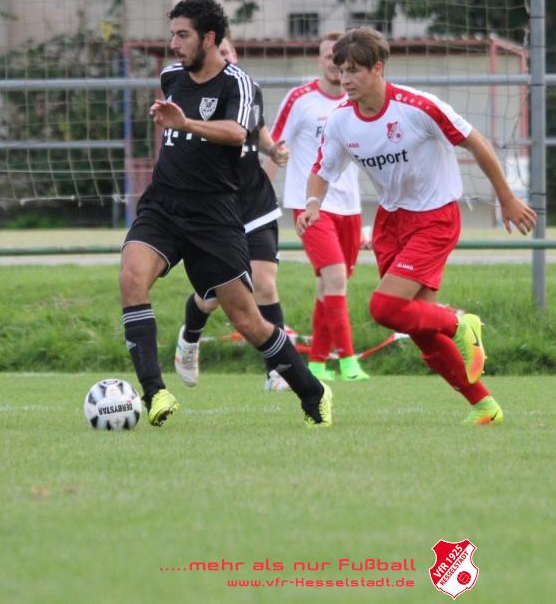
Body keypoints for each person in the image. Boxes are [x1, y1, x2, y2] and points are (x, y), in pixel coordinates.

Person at [297, 28, 536, 425]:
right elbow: (322, 169)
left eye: (354, 70)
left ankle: (461, 323)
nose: (344, 79)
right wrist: (312, 205)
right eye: (341, 71)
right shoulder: (340, 121)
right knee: (423, 330)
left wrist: (507, 198)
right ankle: (484, 406)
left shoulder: (417, 106)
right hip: (391, 222)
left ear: (378, 68)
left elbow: (476, 142)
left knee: (385, 307)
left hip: (435, 218)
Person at [119, 0, 331, 427]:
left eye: (183, 35)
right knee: (131, 277)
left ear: (209, 38)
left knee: (248, 320)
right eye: (173, 34)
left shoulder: (239, 83)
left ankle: (313, 392)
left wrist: (186, 124)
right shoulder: (171, 76)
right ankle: (155, 393)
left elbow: (237, 133)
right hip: (163, 205)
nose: (174, 44)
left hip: (213, 214)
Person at [172, 35, 297, 391]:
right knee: (212, 298)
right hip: (215, 211)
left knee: (265, 283)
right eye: (217, 54)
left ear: (234, 55)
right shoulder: (193, 93)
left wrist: (273, 150)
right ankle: (189, 339)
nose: (222, 60)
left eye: (226, 53)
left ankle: (278, 370)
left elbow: (258, 131)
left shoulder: (247, 89)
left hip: (254, 203)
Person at [270, 31, 369, 384]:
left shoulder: (358, 103)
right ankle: (348, 363)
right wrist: (258, 200)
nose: (335, 65)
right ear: (320, 60)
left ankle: (315, 364)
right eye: (329, 57)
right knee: (335, 278)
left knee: (328, 287)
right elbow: (274, 148)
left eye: (342, 60)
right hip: (309, 206)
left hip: (350, 209)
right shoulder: (301, 100)